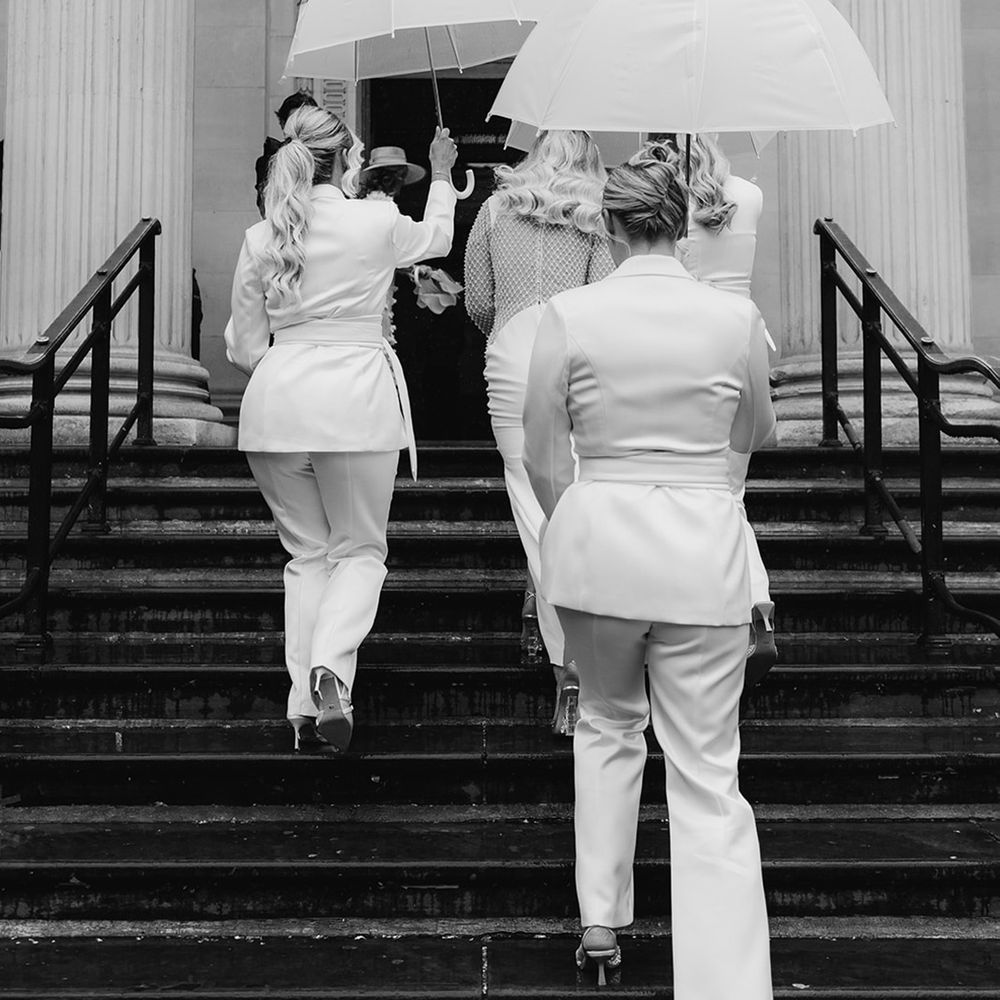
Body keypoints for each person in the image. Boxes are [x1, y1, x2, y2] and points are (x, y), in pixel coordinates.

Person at [522, 156, 775, 996]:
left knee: (605, 724)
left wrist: (574, 516)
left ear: (608, 225)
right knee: (707, 769)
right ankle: (726, 981)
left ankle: (600, 914)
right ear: (681, 222)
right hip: (703, 551)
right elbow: (757, 431)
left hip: (600, 545)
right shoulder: (733, 317)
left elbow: (542, 454)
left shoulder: (569, 314)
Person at [226, 105, 459, 754]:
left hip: (276, 404)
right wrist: (441, 174)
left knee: (306, 557)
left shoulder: (263, 235)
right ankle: (330, 668)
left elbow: (243, 345)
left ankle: (305, 705)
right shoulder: (375, 220)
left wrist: (285, 366)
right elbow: (438, 239)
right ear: (348, 161)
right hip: (355, 401)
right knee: (358, 550)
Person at [463, 130, 614, 736]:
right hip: (576, 351)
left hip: (511, 353)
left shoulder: (495, 208)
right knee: (576, 501)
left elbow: (478, 301)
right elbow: (604, 297)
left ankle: (564, 666)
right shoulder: (594, 213)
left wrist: (509, 328)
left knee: (534, 513)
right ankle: (585, 656)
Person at [646, 134, 776, 697]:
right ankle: (755, 607)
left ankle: (707, 614)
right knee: (730, 492)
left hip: (692, 346)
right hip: (745, 344)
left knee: (694, 491)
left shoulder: (668, 205)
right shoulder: (750, 195)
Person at [254, 92, 319, 217]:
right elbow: (266, 209)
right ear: (283, 124)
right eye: (294, 121)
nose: (300, 126)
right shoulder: (269, 160)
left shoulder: (327, 155)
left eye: (306, 120)